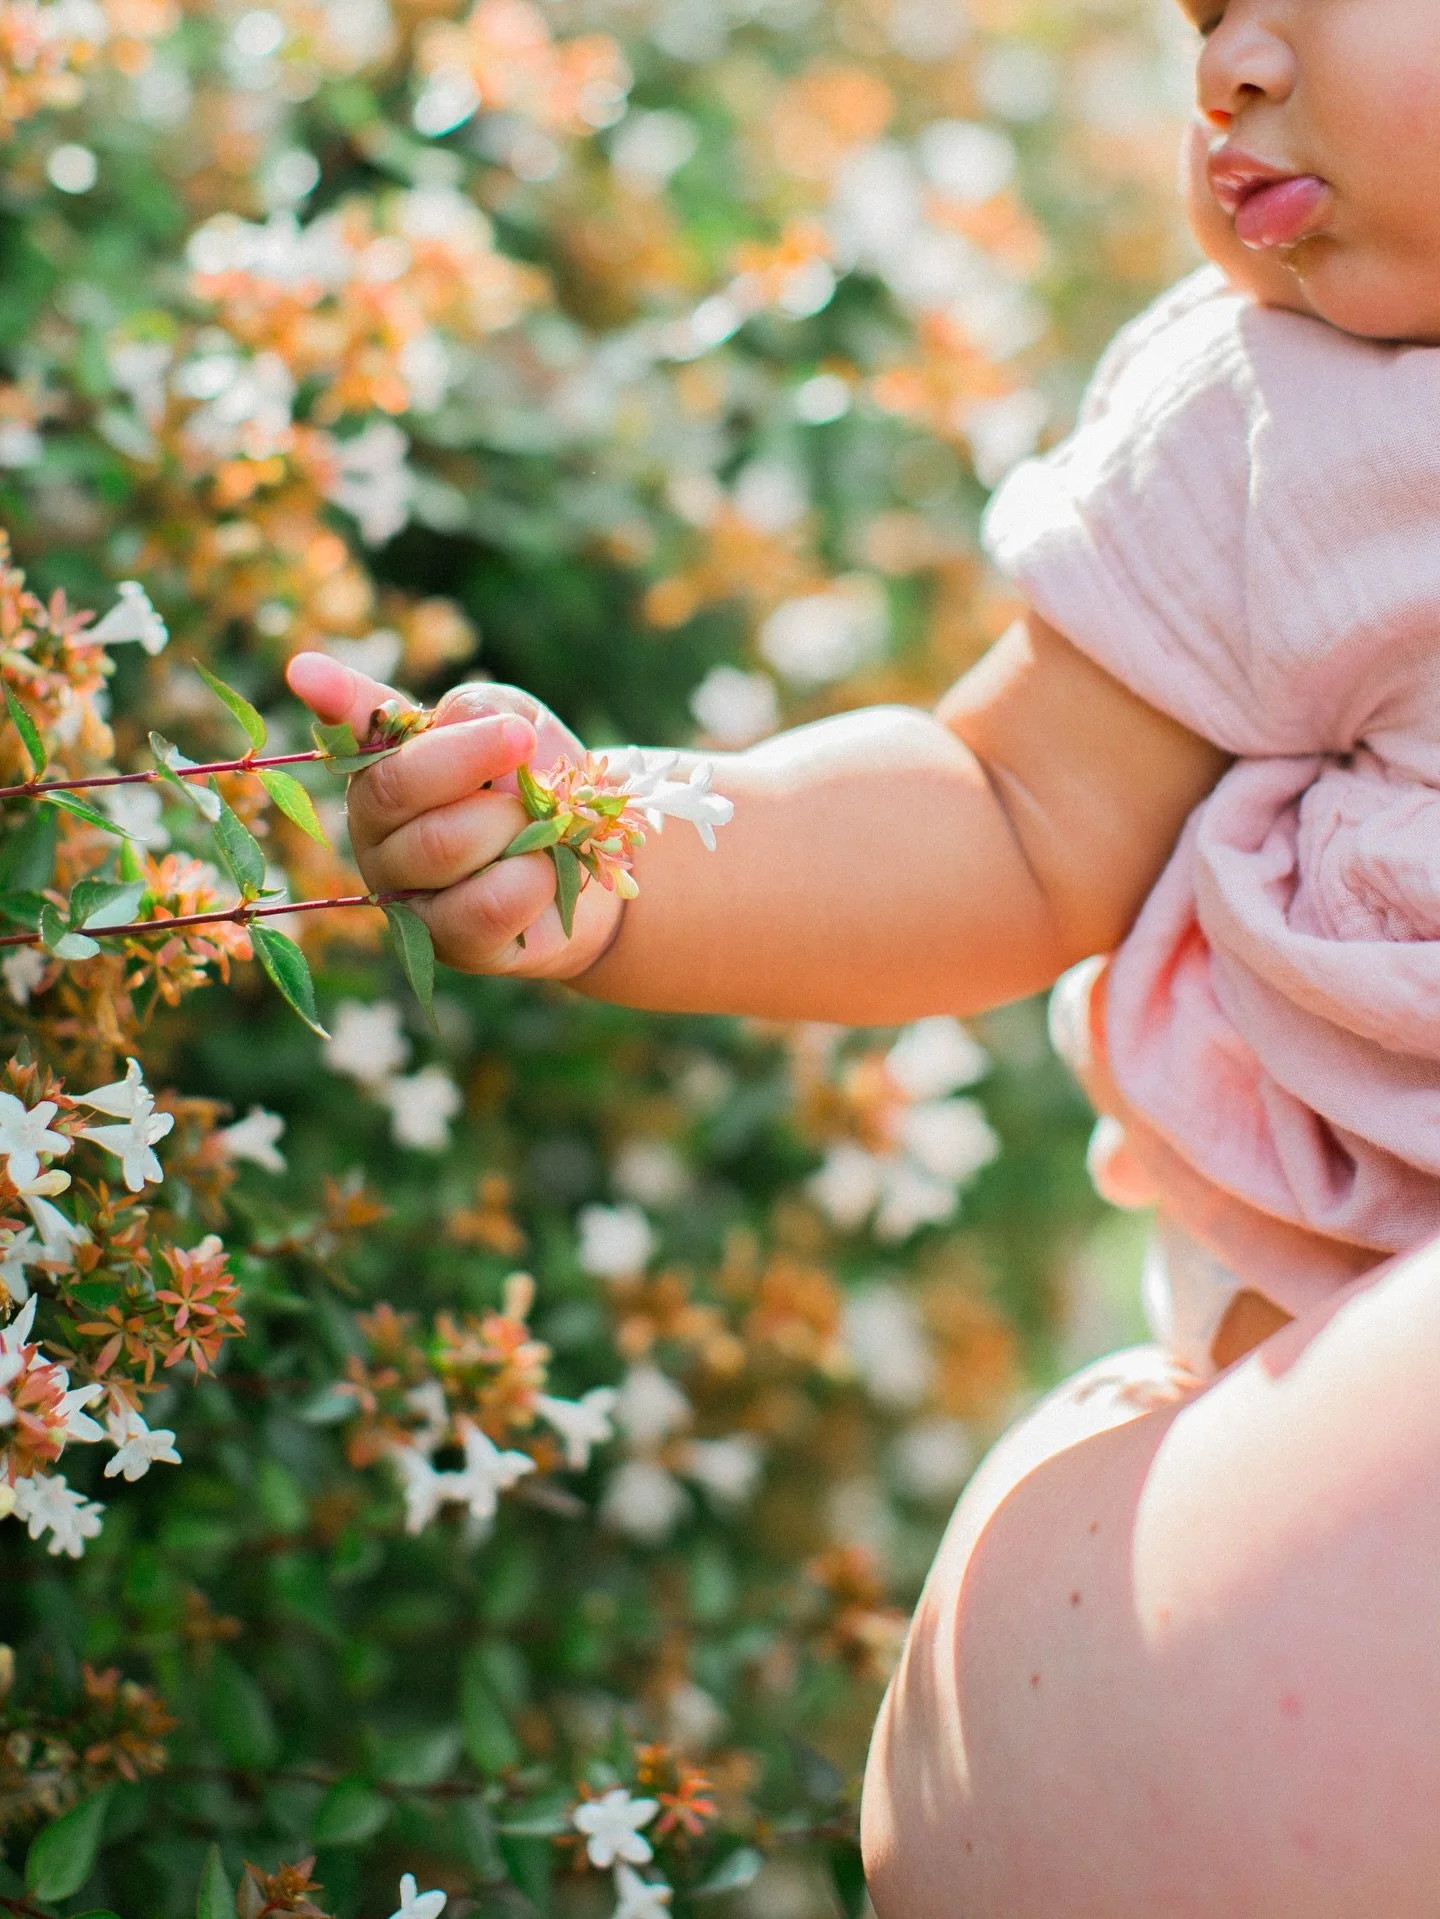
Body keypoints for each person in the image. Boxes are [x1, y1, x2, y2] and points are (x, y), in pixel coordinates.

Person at [286, 0, 1440, 1906]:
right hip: (1308, 1489)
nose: (1229, 66)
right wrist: (618, 848)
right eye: (1203, 14)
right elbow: (1006, 810)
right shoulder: (1275, 429)